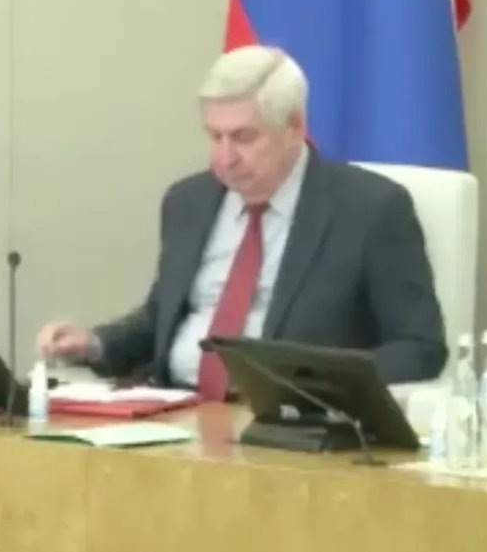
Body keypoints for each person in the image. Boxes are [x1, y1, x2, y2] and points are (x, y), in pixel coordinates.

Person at [36, 45, 447, 399]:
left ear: (294, 127)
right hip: (176, 410)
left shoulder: (371, 209)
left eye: (244, 137)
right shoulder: (187, 202)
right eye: (215, 137)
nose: (225, 158)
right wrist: (94, 344)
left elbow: (420, 347)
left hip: (290, 427)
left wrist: (312, 384)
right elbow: (162, 317)